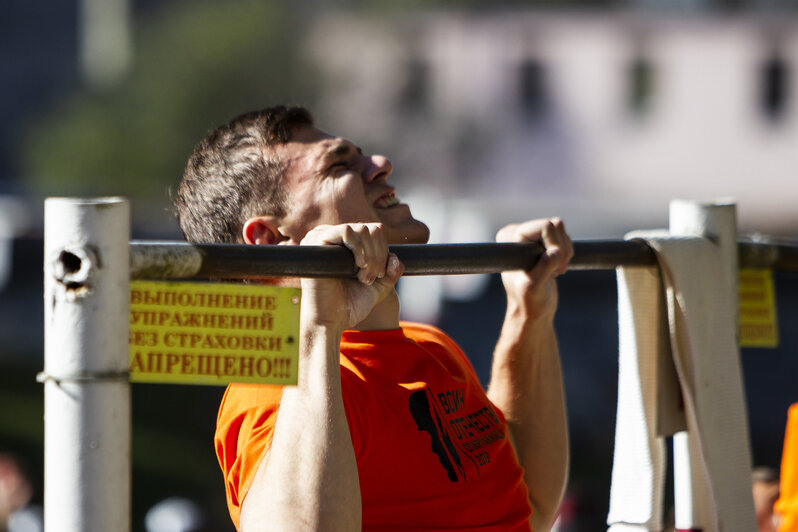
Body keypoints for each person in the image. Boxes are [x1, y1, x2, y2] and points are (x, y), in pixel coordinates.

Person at [174, 105, 573, 531]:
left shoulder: (431, 346)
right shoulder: (271, 389)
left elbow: (529, 505)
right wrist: (320, 326)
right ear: (270, 238)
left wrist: (529, 311)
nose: (380, 164)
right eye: (339, 166)